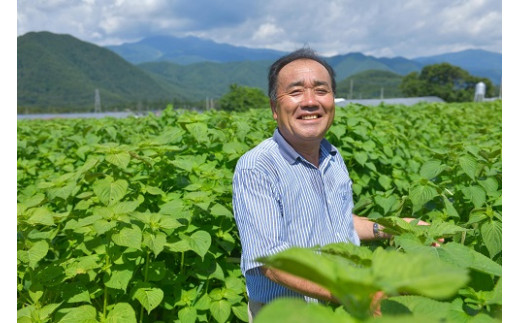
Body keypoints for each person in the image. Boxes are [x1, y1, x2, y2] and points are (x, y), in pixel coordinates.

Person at [232, 47, 430, 321]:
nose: (310, 101)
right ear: (274, 108)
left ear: (333, 101)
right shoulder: (258, 167)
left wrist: (396, 228)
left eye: (321, 90)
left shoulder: (331, 156)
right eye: (296, 91)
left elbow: (338, 223)